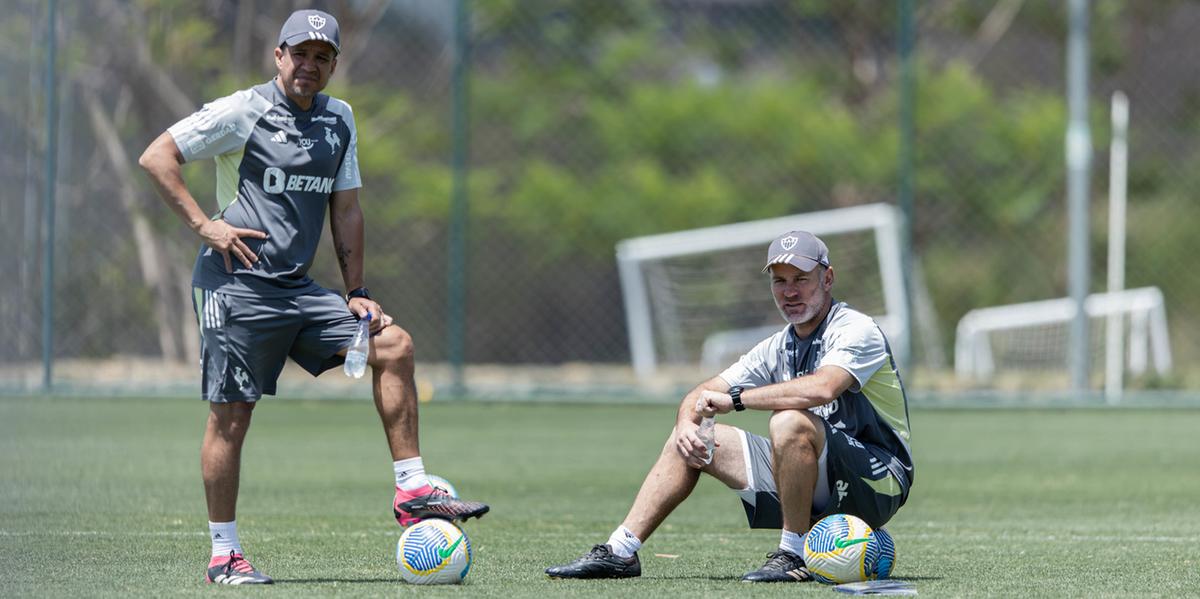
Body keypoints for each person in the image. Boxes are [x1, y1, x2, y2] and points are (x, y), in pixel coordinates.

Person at [138, 9, 488, 585]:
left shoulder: (339, 119)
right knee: (231, 416)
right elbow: (158, 156)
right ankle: (224, 554)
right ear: (279, 56)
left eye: (322, 56)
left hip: (297, 289)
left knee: (394, 344)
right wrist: (206, 226)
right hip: (237, 285)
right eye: (299, 53)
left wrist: (358, 292)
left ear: (333, 65)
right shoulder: (242, 110)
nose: (309, 64)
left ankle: (411, 490)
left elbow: (346, 208)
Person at [545, 230, 914, 582]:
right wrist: (687, 426)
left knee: (788, 421)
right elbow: (702, 392)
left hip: (879, 481)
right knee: (692, 436)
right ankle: (621, 551)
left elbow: (823, 388)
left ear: (828, 278)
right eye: (779, 281)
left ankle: (794, 553)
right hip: (818, 478)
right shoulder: (776, 345)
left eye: (801, 278)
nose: (789, 292)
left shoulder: (855, 328)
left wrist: (736, 400)